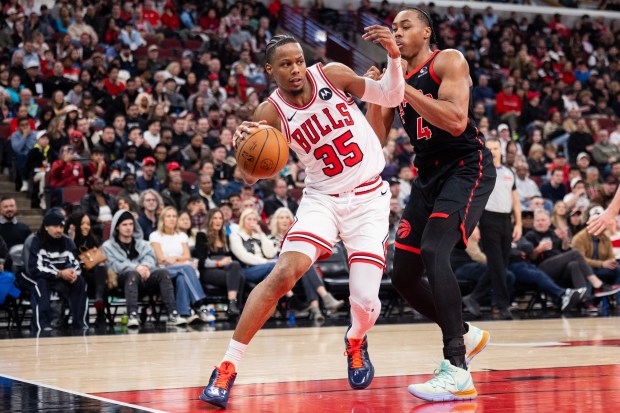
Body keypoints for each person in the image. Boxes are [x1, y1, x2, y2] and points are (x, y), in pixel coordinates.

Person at [200, 28, 405, 408]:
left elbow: (392, 96)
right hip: (322, 200)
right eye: (285, 65)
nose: (296, 69)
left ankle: (356, 339)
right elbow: (250, 175)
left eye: (298, 61)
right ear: (269, 70)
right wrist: (241, 148)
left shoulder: (333, 74)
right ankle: (227, 366)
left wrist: (393, 55)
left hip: (368, 201)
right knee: (283, 273)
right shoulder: (268, 112)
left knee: (366, 303)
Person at [365, 8, 494, 402]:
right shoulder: (395, 78)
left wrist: (401, 86)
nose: (398, 33)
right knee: (403, 275)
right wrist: (377, 94)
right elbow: (374, 142)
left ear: (426, 31)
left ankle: (456, 368)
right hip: (427, 176)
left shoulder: (448, 60)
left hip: (464, 166)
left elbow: (456, 121)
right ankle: (467, 333)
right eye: (394, 29)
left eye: (406, 27)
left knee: (435, 250)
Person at [462, 139, 521, 320]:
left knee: (500, 265)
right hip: (488, 219)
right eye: (490, 149)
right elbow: (473, 200)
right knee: (496, 264)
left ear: (501, 150)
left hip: (506, 220)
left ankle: (474, 297)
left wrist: (518, 223)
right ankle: (503, 306)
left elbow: (515, 200)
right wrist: (475, 224)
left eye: (496, 148)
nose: (493, 151)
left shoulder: (509, 172)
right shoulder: (481, 172)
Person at [102, 210, 186, 328]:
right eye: (124, 225)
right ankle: (133, 316)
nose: (128, 228)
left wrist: (145, 267)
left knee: (163, 272)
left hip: (145, 277)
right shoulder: (108, 246)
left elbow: (151, 259)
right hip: (121, 280)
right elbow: (113, 265)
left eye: (131, 224)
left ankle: (172, 313)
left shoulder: (143, 244)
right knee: (132, 274)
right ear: (117, 227)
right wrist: (136, 267)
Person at [268, 207, 344, 321]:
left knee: (306, 265)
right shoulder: (269, 239)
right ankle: (324, 299)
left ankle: (316, 309)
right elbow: (272, 257)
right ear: (276, 221)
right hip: (283, 271)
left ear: (291, 221)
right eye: (281, 218)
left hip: (299, 271)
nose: (284, 220)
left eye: (287, 217)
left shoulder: (296, 236)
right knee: (305, 265)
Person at [25, 210, 89, 332]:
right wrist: (59, 273)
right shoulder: (36, 241)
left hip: (61, 277)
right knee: (40, 284)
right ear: (46, 227)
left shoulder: (67, 241)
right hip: (42, 276)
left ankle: (81, 323)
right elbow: (35, 268)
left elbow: (75, 262)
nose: (59, 230)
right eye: (55, 226)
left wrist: (73, 272)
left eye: (61, 226)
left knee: (80, 281)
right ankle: (41, 325)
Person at [149, 206, 214, 323]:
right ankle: (200, 305)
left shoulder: (182, 236)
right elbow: (160, 259)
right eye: (168, 216)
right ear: (163, 219)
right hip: (163, 270)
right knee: (187, 268)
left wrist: (175, 258)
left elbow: (187, 256)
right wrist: (181, 260)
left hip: (181, 268)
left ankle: (184, 313)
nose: (172, 219)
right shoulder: (155, 235)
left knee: (182, 277)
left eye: (174, 216)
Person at [194, 208, 245, 319]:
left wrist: (227, 262)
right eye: (215, 218)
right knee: (239, 278)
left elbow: (230, 257)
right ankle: (235, 308)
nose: (218, 221)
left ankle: (233, 307)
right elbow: (202, 262)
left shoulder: (225, 237)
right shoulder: (201, 235)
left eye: (220, 218)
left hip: (225, 270)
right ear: (209, 220)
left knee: (236, 267)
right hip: (207, 271)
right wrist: (219, 263)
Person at [64, 212, 108, 325]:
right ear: (74, 225)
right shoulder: (66, 240)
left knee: (101, 269)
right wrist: (71, 239)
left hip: (93, 278)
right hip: (74, 277)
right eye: (82, 223)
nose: (86, 226)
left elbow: (99, 260)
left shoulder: (92, 239)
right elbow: (67, 261)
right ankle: (98, 313)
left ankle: (99, 299)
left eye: (88, 224)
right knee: (84, 281)